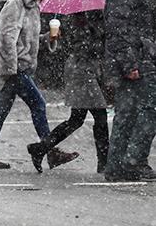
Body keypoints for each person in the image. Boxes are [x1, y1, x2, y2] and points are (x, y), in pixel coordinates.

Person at [0, 0, 78, 171]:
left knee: (0, 111)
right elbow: (5, 39)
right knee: (38, 104)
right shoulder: (15, 5)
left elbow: (27, 41)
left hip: (19, 68)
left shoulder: (33, 8)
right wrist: (10, 69)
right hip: (15, 69)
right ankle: (48, 150)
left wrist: (48, 39)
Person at [27, 12, 109, 173]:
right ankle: (104, 163)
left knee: (77, 119)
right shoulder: (84, 19)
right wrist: (103, 35)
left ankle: (41, 148)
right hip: (82, 71)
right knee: (100, 116)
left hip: (83, 70)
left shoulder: (86, 16)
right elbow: (88, 47)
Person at [103, 0, 156, 182]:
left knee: (132, 112)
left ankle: (119, 165)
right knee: (140, 111)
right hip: (135, 60)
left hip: (140, 57)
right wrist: (129, 64)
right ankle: (131, 162)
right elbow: (118, 30)